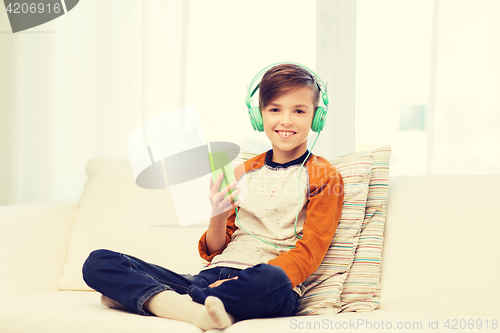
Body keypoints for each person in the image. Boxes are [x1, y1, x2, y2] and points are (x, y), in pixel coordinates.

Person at [82, 63, 344, 331]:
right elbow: (215, 251)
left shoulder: (324, 175)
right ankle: (199, 308)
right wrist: (217, 216)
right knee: (99, 262)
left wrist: (234, 284)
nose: (286, 120)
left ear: (316, 116)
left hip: (263, 284)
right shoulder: (241, 171)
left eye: (299, 111)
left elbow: (309, 255)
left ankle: (159, 301)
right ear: (258, 115)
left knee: (273, 280)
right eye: (275, 109)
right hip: (208, 279)